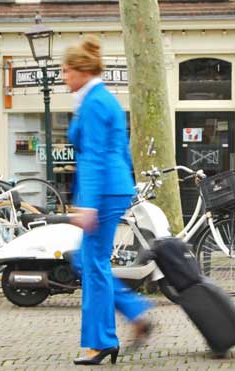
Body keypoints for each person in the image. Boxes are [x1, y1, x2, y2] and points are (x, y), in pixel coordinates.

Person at [62, 35, 154, 366]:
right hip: (113, 188)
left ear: (81, 70)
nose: (63, 76)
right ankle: (134, 314)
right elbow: (121, 152)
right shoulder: (102, 100)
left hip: (102, 192)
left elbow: (95, 157)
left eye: (67, 70)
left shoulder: (94, 103)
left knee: (93, 264)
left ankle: (101, 341)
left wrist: (87, 204)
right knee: (87, 261)